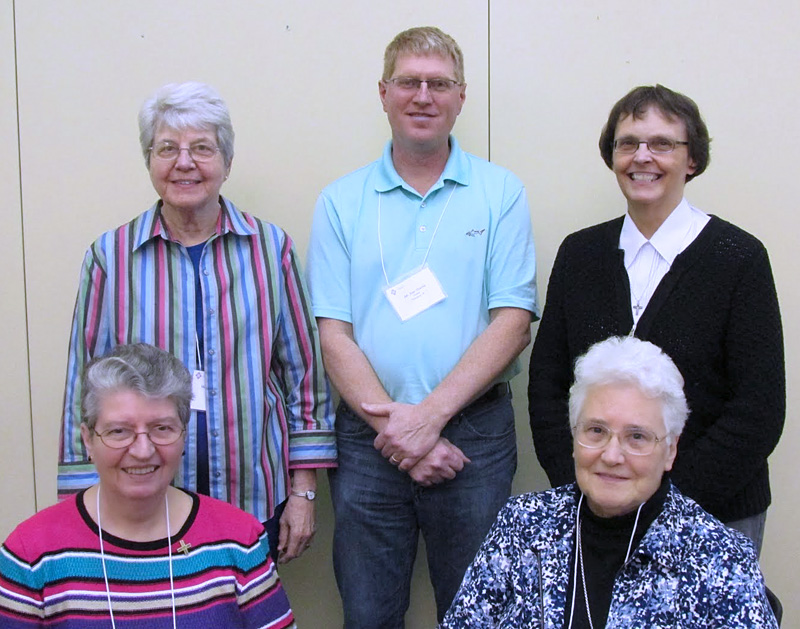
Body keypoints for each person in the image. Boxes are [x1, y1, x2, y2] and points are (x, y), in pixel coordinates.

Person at [306, 26, 538, 626]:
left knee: (479, 615)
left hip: (475, 437)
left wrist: (427, 421)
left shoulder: (499, 193)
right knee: (368, 614)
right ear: (383, 93)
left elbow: (513, 322)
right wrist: (400, 430)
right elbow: (334, 334)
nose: (423, 95)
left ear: (462, 97)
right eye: (409, 82)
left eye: (439, 83)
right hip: (367, 440)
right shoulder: (340, 201)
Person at [57, 82, 335, 564]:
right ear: (149, 161)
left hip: (253, 496)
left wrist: (304, 492)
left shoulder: (271, 251)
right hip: (141, 499)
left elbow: (304, 376)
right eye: (168, 149)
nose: (184, 163)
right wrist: (78, 505)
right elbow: (84, 384)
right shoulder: (111, 257)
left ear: (227, 162)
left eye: (202, 148)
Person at [528, 84, 784, 553]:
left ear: (691, 160)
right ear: (612, 157)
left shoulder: (739, 258)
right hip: (595, 511)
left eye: (662, 143)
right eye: (628, 143)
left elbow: (758, 410)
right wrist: (592, 488)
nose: (642, 156)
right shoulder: (579, 254)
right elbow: (547, 387)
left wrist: (661, 501)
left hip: (717, 513)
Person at [443, 336, 777, 628]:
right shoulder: (523, 524)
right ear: (574, 437)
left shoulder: (720, 559)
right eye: (596, 431)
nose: (612, 455)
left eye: (637, 437)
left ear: (670, 450)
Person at [1, 344, 296, 628]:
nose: (143, 450)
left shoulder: (238, 540)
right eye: (119, 431)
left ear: (183, 434)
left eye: (162, 428)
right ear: (87, 440)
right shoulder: (31, 554)